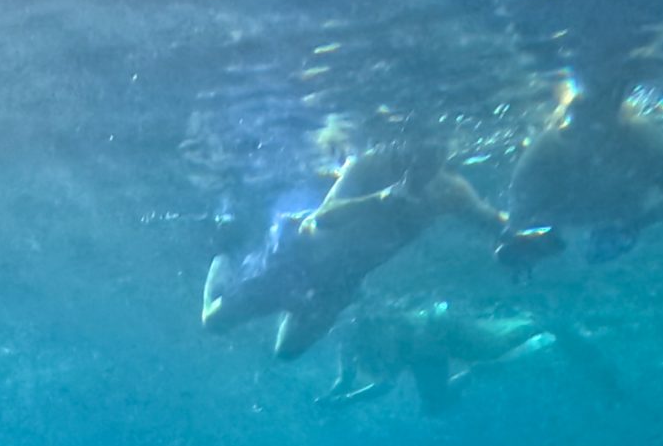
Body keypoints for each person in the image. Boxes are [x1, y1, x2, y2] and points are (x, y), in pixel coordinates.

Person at [202, 141, 505, 362]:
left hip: (339, 283)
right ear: (402, 148)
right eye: (417, 156)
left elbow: (489, 219)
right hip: (297, 259)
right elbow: (323, 216)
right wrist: (379, 199)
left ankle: (295, 303)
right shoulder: (371, 165)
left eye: (434, 157)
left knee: (287, 352)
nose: (422, 166)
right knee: (213, 321)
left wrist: (517, 239)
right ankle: (224, 254)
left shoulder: (451, 191)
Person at [496, 71, 663, 270]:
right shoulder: (546, 148)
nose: (567, 132)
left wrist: (635, 224)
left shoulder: (647, 140)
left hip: (605, 215)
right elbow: (517, 216)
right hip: (601, 215)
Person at [319, 298, 620, 413]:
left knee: (497, 343)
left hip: (434, 340)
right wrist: (332, 398)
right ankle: (480, 371)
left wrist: (343, 401)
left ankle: (561, 322)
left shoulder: (376, 332)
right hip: (425, 351)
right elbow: (345, 377)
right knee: (435, 406)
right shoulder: (345, 339)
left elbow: (386, 383)